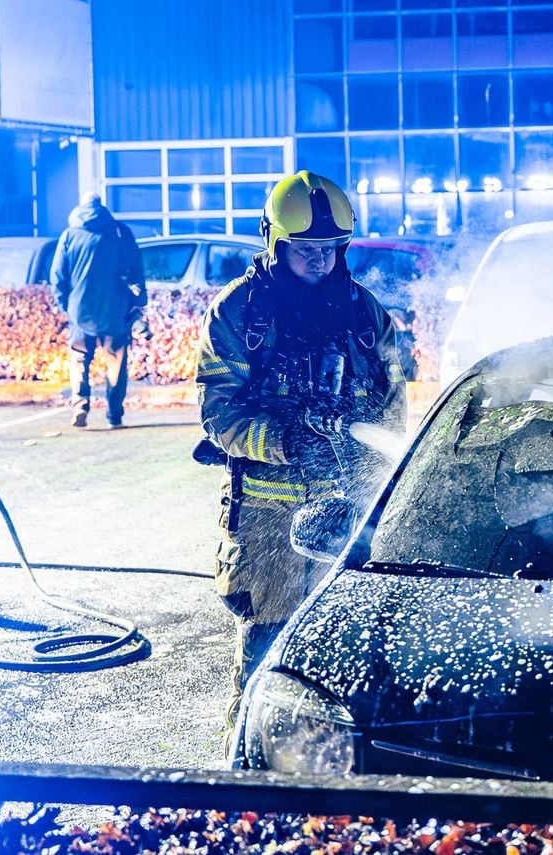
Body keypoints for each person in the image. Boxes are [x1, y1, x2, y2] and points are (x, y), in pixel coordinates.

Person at [195, 170, 407, 740]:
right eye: (305, 251)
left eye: (331, 250)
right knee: (267, 655)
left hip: (353, 516)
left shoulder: (367, 316)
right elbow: (219, 415)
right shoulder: (240, 315)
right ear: (273, 242)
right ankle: (247, 777)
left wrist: (373, 476)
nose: (319, 262)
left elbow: (393, 410)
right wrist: (288, 442)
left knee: (355, 658)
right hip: (269, 520)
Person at [51, 192, 147, 429]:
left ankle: (80, 406)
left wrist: (66, 307)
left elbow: (58, 276)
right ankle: (114, 414)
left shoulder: (69, 235)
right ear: (101, 206)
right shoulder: (119, 232)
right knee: (115, 363)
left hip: (80, 311)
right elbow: (136, 268)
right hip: (115, 309)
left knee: (79, 360)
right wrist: (139, 301)